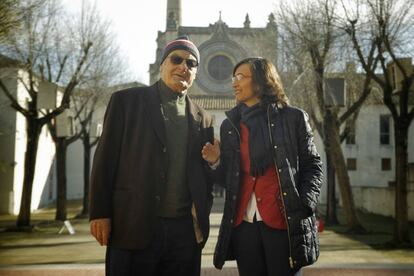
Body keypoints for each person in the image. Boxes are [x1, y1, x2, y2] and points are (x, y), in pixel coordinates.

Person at [89, 36, 215, 276]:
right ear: (161, 65)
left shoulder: (204, 119)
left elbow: (204, 174)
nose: (183, 67)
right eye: (176, 59)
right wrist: (99, 212)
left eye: (191, 63)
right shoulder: (126, 102)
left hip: (184, 234)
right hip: (133, 224)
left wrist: (215, 162)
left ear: (195, 73)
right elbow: (105, 161)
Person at [202, 57, 323, 276]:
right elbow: (228, 180)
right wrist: (216, 161)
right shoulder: (231, 126)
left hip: (283, 223)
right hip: (244, 225)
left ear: (261, 81)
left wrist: (304, 205)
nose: (234, 83)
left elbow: (312, 165)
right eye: (233, 77)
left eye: (241, 77)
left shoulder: (293, 117)